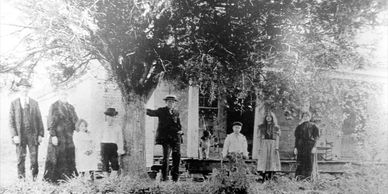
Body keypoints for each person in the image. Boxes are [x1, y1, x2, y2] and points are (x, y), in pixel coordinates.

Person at [9, 79, 44, 180]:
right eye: (22, 87)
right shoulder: (14, 103)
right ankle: (21, 179)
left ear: (29, 89)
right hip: (20, 135)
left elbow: (39, 119)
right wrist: (14, 135)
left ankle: (34, 178)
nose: (24, 89)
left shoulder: (34, 103)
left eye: (26, 87)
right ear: (19, 88)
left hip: (33, 134)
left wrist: (40, 134)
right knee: (20, 157)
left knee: (34, 158)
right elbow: (11, 121)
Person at [44, 89, 78, 183]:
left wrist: (81, 128)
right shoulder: (54, 106)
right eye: (62, 94)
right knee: (57, 156)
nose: (64, 96)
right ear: (59, 95)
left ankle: (68, 177)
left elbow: (76, 120)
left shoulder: (71, 107)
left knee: (69, 155)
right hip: (58, 136)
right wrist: (53, 135)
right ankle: (54, 179)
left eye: (65, 94)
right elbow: (50, 122)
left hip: (68, 136)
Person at [146, 94, 183, 182]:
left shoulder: (176, 112)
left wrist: (181, 131)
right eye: (169, 101)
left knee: (176, 158)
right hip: (166, 139)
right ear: (166, 102)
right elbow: (152, 113)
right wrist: (143, 108)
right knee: (166, 159)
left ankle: (175, 178)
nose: (171, 103)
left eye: (173, 102)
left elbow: (178, 124)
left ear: (175, 103)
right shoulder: (161, 111)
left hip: (176, 139)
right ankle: (164, 178)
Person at [294, 112, 320, 180]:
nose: (305, 117)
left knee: (309, 163)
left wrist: (314, 147)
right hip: (301, 147)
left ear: (310, 117)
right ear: (302, 117)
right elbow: (297, 138)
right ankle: (299, 179)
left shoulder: (314, 126)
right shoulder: (299, 126)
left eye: (307, 116)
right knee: (300, 162)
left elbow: (316, 137)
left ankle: (309, 179)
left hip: (310, 146)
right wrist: (295, 148)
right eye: (304, 116)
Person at [99, 108, 124, 177]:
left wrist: (120, 149)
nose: (111, 118)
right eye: (109, 116)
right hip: (104, 146)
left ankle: (111, 180)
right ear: (106, 117)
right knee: (105, 163)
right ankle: (107, 181)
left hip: (113, 147)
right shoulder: (102, 126)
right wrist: (98, 149)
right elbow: (98, 137)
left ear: (115, 117)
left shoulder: (118, 127)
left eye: (112, 116)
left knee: (115, 164)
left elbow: (120, 139)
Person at [256, 112, 281, 182]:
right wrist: (259, 147)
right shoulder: (261, 126)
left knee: (272, 159)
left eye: (270, 116)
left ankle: (270, 177)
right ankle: (262, 177)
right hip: (264, 143)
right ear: (265, 117)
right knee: (264, 159)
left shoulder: (276, 127)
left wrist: (276, 147)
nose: (268, 118)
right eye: (267, 116)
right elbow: (259, 137)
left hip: (273, 144)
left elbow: (277, 138)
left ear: (273, 118)